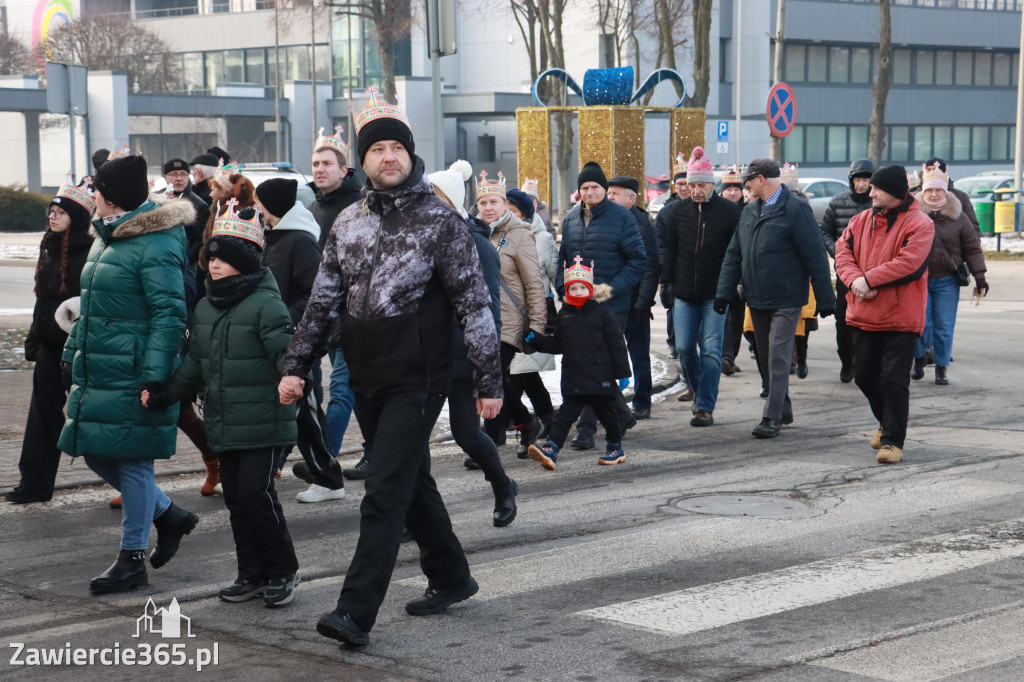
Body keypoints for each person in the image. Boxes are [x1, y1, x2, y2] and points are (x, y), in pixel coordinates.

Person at [279, 88, 502, 647]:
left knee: (382, 490)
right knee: (412, 479)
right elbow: (323, 304)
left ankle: (354, 612)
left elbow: (475, 303)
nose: (388, 158)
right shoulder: (349, 222)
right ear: (365, 161)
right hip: (368, 372)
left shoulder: (440, 222)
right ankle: (451, 575)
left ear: (409, 155)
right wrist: (297, 365)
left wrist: (487, 380)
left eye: (395, 148)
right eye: (376, 149)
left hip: (419, 376)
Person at [141, 201, 300, 607]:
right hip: (225, 422)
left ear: (243, 262)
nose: (213, 266)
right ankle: (251, 572)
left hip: (265, 420)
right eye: (211, 257)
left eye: (224, 258)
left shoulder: (267, 304)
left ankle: (282, 569)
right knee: (236, 500)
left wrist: (294, 380)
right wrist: (165, 393)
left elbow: (290, 355)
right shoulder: (208, 307)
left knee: (257, 495)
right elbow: (194, 364)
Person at [58, 154, 199, 593]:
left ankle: (132, 559)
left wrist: (156, 376)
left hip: (136, 370)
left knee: (134, 461)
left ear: (109, 197)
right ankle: (168, 515)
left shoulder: (155, 240)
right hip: (103, 366)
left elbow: (170, 313)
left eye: (96, 189)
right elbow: (93, 306)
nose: (92, 196)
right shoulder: (107, 235)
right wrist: (71, 349)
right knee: (95, 448)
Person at [716, 158, 836, 439]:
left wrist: (825, 298)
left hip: (787, 296)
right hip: (756, 296)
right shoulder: (748, 211)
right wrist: (724, 291)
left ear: (761, 180)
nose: (744, 185)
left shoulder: (796, 209)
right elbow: (734, 254)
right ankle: (783, 407)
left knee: (779, 356)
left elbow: (815, 255)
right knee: (765, 357)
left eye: (748, 179)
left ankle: (771, 417)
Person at [429, 160, 518, 526]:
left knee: (467, 434)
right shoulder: (421, 239)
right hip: (425, 357)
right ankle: (414, 517)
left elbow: (490, 314)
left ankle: (502, 486)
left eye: (431, 197)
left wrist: (488, 374)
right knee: (412, 441)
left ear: (449, 201)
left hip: (462, 356)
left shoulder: (478, 245)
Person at [256, 178, 347, 503]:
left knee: (305, 411)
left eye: (261, 203)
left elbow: (314, 293)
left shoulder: (299, 241)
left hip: (295, 337)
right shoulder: (274, 237)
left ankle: (329, 478)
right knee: (287, 408)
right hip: (275, 336)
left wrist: (288, 320)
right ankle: (265, 473)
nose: (258, 210)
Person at [836, 165, 934, 463]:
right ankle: (886, 421)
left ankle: (893, 440)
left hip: (901, 316)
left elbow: (911, 263)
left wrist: (870, 279)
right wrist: (855, 281)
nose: (870, 191)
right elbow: (843, 253)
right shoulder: (860, 220)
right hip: (865, 312)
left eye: (877, 188)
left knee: (894, 379)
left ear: (893, 192)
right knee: (863, 375)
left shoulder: (920, 223)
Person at [5, 176, 94, 504]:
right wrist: (34, 337)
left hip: (78, 351)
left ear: (78, 217)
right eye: (51, 210)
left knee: (93, 419)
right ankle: (35, 484)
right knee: (42, 416)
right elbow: (43, 300)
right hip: (48, 347)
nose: (52, 216)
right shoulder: (51, 246)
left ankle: (129, 483)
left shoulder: (89, 254)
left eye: (60, 211)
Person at [556, 161, 646, 449]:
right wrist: (562, 287)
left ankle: (585, 428)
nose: (590, 191)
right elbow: (563, 259)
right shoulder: (570, 219)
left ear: (605, 190)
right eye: (585, 187)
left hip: (610, 305)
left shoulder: (621, 217)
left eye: (595, 186)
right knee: (585, 362)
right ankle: (621, 414)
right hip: (576, 305)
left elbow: (638, 260)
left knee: (597, 363)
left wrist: (612, 289)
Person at [659, 147, 741, 427]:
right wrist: (666, 282)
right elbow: (670, 250)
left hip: (714, 294)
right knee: (683, 347)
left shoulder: (729, 213)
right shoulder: (676, 213)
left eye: (701, 185)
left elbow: (734, 254)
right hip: (683, 293)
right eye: (691, 185)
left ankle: (705, 406)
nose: (695, 190)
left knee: (710, 350)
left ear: (713, 185)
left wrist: (728, 289)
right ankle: (695, 387)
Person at [527, 257, 631, 468]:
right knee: (564, 416)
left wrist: (623, 373)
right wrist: (537, 342)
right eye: (572, 288)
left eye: (581, 288)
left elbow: (617, 343)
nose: (577, 292)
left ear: (590, 289)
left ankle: (615, 447)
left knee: (608, 415)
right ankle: (551, 449)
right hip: (575, 376)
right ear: (567, 291)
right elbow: (558, 344)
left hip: (600, 376)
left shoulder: (603, 312)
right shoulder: (565, 314)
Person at [476, 172, 549, 457]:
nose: (488, 207)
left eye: (493, 201)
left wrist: (538, 324)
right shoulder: (477, 232)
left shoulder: (519, 233)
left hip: (509, 318)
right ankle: (525, 422)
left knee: (491, 377)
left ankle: (492, 443)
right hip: (482, 319)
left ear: (505, 203)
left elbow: (534, 281)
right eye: (482, 202)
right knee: (493, 379)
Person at [309, 126, 362, 477]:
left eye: (327, 163)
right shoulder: (313, 206)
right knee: (359, 390)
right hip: (323, 314)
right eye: (315, 163)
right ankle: (373, 451)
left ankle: (325, 464)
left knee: (341, 390)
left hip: (355, 315)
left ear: (344, 170)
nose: (319, 169)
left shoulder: (359, 204)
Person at [911, 167, 988, 385]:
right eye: (929, 190)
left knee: (944, 326)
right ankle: (918, 358)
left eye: (939, 190)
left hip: (947, 281)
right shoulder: (912, 215)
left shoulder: (959, 216)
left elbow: (972, 249)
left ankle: (941, 367)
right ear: (923, 192)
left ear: (946, 192)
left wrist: (980, 276)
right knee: (919, 324)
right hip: (919, 280)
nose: (934, 194)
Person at [505, 187, 558, 445]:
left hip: (529, 313)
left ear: (525, 214)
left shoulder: (541, 238)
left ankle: (525, 423)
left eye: (512, 210)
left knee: (520, 371)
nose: (507, 214)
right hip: (507, 313)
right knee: (520, 371)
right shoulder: (498, 234)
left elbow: (550, 273)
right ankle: (541, 418)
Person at [606, 175, 660, 421]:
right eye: (609, 193)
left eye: (615, 194)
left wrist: (644, 301)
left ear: (631, 198)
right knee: (608, 353)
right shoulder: (605, 218)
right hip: (612, 300)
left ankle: (642, 400)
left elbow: (650, 265)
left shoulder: (642, 223)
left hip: (636, 300)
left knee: (638, 354)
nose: (610, 197)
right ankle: (611, 401)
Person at [820, 158, 876, 383]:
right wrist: (838, 253)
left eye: (866, 179)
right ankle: (846, 360)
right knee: (843, 320)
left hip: (873, 272)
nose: (862, 184)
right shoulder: (837, 202)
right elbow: (825, 232)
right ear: (851, 180)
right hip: (845, 272)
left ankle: (866, 363)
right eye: (858, 179)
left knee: (870, 321)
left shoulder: (878, 204)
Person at [656, 154, 689, 365]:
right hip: (673, 266)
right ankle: (673, 342)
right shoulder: (666, 211)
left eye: (687, 183)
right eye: (680, 184)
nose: (684, 188)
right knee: (673, 307)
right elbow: (659, 242)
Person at [719, 165, 747, 376]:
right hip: (718, 271)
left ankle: (730, 356)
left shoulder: (749, 211)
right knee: (721, 315)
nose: (732, 193)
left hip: (742, 272)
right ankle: (722, 356)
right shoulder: (716, 209)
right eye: (729, 189)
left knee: (737, 317)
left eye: (736, 189)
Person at [923, 157, 980, 236]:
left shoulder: (960, 196)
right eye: (929, 170)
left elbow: (972, 225)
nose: (932, 173)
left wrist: (974, 243)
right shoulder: (916, 197)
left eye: (936, 169)